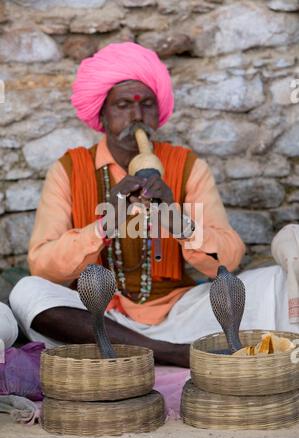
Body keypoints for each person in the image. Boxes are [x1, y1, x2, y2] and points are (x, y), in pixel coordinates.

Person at [9, 43, 298, 368]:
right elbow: (43, 266)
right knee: (27, 293)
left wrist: (177, 220)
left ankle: (145, 351)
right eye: (122, 105)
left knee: (273, 281)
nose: (136, 116)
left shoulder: (188, 166)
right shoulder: (69, 169)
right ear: (102, 114)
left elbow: (228, 260)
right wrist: (105, 223)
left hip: (182, 313)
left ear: (157, 112)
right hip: (99, 316)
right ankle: (173, 354)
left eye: (147, 105)